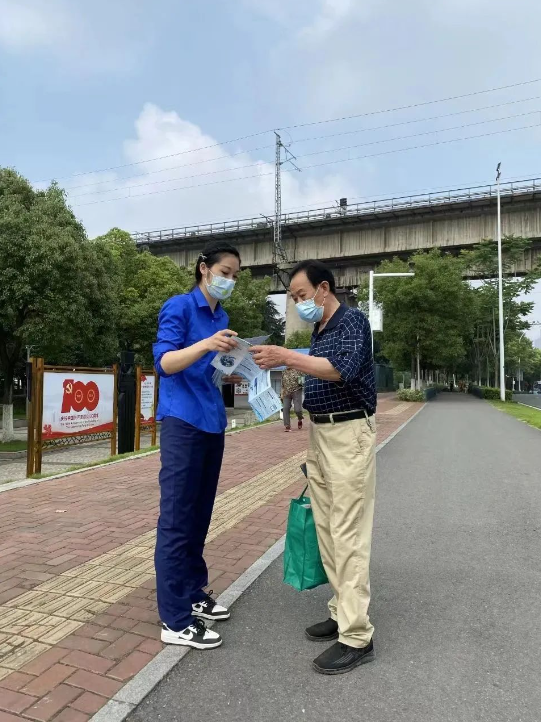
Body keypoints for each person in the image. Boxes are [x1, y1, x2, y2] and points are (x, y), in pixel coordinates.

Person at [251, 259, 377, 675]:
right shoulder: (320, 330)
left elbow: (340, 369)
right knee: (327, 528)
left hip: (349, 433)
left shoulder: (353, 322)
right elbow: (316, 369)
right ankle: (341, 611)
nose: (297, 303)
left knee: (348, 532)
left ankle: (357, 636)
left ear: (324, 289)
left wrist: (287, 355)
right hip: (321, 435)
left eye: (301, 295)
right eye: (292, 297)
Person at [153, 241, 243, 650]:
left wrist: (235, 366)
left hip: (211, 421)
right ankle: (174, 619)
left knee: (199, 514)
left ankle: (192, 592)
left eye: (235, 276)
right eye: (225, 272)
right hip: (182, 422)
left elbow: (208, 372)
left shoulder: (221, 317)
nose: (230, 281)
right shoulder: (179, 307)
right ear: (204, 268)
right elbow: (165, 363)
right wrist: (207, 345)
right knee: (177, 518)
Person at [281, 366, 304, 431]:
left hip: (296, 391)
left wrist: (301, 382)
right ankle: (287, 426)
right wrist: (281, 393)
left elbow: (302, 382)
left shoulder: (298, 370)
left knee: (297, 410)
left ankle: (300, 418)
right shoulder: (284, 371)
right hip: (286, 393)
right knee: (285, 408)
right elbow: (282, 384)